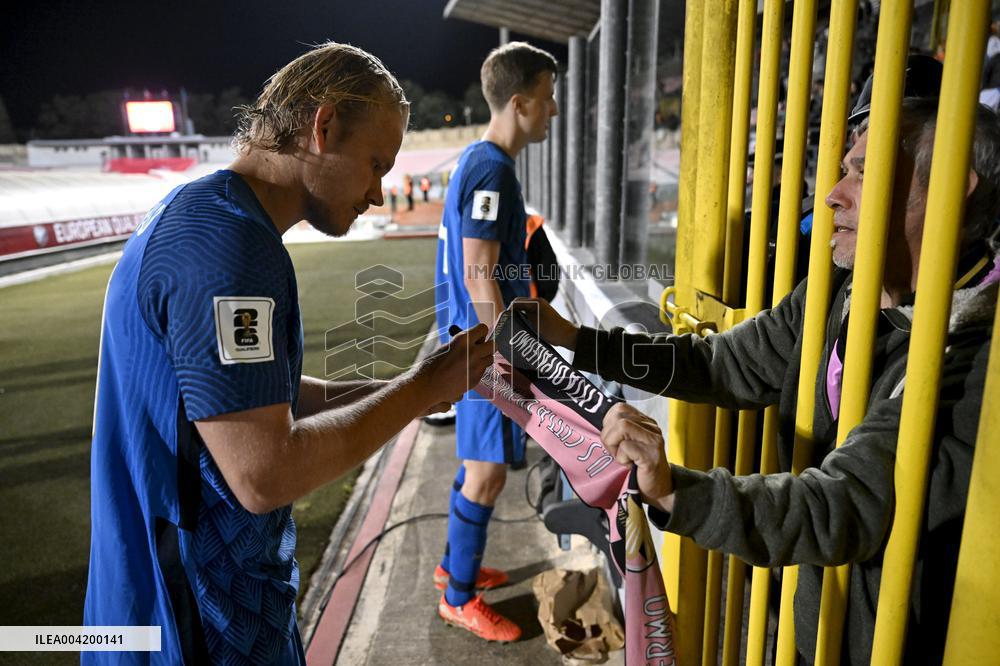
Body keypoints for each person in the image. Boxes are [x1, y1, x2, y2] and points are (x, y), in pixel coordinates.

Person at [518, 99, 1000, 664]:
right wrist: (579, 340)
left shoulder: (979, 354)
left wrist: (675, 489)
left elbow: (846, 502)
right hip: (821, 617)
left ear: (947, 188)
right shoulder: (842, 288)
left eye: (862, 173)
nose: (832, 194)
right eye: (845, 168)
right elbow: (725, 363)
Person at [84, 42, 494, 665]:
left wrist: (424, 385)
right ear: (323, 127)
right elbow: (263, 473)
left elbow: (275, 401)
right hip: (192, 625)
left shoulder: (211, 217)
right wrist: (419, 388)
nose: (379, 193)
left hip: (191, 612)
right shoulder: (229, 247)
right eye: (375, 163)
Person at [433, 41, 558, 642]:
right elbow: (478, 270)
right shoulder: (491, 170)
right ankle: (459, 598)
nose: (553, 110)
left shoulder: (478, 162)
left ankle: (454, 568)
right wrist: (511, 353)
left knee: (474, 469)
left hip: (471, 343)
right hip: (484, 350)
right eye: (548, 97)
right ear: (519, 101)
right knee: (486, 475)